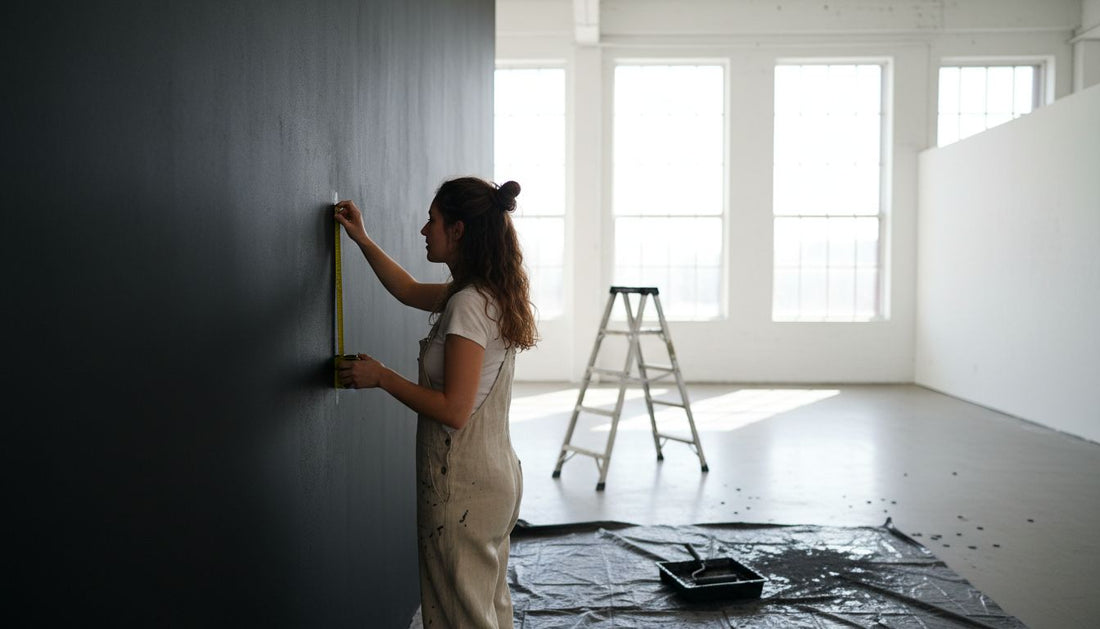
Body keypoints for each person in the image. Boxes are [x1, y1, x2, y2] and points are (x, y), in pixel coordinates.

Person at [333, 176, 537, 629]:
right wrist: (362, 239)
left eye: (433, 221)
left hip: (463, 486)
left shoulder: (466, 304)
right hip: (496, 478)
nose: (425, 230)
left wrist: (382, 377)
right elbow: (406, 289)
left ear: (458, 230)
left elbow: (454, 411)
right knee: (488, 610)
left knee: (459, 617)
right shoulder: (488, 294)